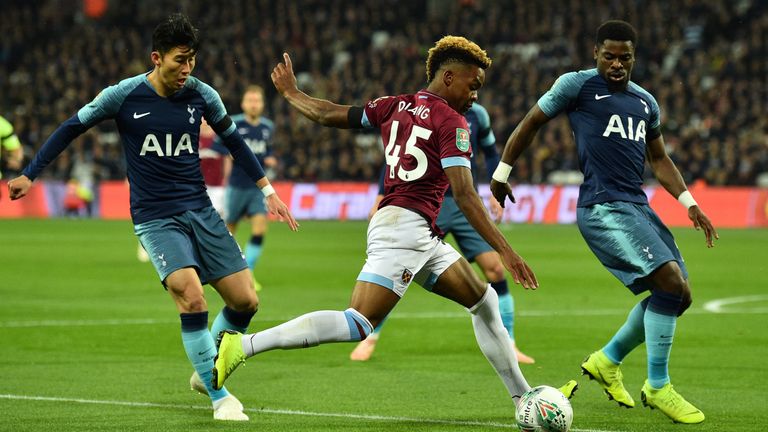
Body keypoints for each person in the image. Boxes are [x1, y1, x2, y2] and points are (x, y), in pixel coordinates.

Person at [211, 36, 573, 412]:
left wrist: (292, 93)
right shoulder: (453, 123)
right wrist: (507, 251)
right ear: (448, 77)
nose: (476, 95)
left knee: (484, 300)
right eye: (473, 84)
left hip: (415, 229)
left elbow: (330, 114)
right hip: (405, 230)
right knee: (358, 323)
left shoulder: (393, 104)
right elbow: (465, 196)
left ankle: (522, 397)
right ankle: (243, 345)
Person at [7, 13, 298, 422]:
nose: (187, 69)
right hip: (156, 218)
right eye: (180, 60)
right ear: (156, 57)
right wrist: (30, 173)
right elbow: (73, 126)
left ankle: (204, 370)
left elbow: (235, 142)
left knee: (246, 301)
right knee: (191, 296)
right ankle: (219, 396)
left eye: (192, 60)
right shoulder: (123, 95)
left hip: (200, 209)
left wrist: (269, 192)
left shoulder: (202, 95)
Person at [489, 20, 718, 424]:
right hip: (602, 206)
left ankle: (606, 361)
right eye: (608, 56)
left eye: (624, 57)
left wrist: (689, 202)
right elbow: (531, 123)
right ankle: (658, 386)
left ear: (634, 58)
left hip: (637, 206)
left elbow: (660, 159)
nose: (616, 64)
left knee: (679, 296)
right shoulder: (576, 86)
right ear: (596, 53)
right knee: (667, 282)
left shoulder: (646, 102)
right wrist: (502, 172)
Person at [350, 102, 535, 364]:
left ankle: (510, 342)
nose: (473, 89)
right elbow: (399, 154)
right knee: (397, 269)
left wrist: (498, 184)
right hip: (426, 203)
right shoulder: (424, 110)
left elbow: (492, 153)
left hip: (463, 204)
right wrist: (382, 193)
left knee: (494, 269)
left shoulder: (478, 114)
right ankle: (371, 338)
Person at [213, 85, 278, 291]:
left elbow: (268, 149)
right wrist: (229, 152)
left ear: (262, 104)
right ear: (243, 103)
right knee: (229, 231)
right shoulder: (234, 123)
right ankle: (224, 272)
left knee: (260, 230)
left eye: (257, 100)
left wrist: (270, 158)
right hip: (236, 186)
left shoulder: (267, 127)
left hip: (256, 188)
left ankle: (248, 273)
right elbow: (217, 144)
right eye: (250, 100)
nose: (253, 104)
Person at [0, 114, 24, 193]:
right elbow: (16, 149)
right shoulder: (2, 124)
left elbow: (16, 149)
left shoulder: (3, 125)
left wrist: (15, 160)